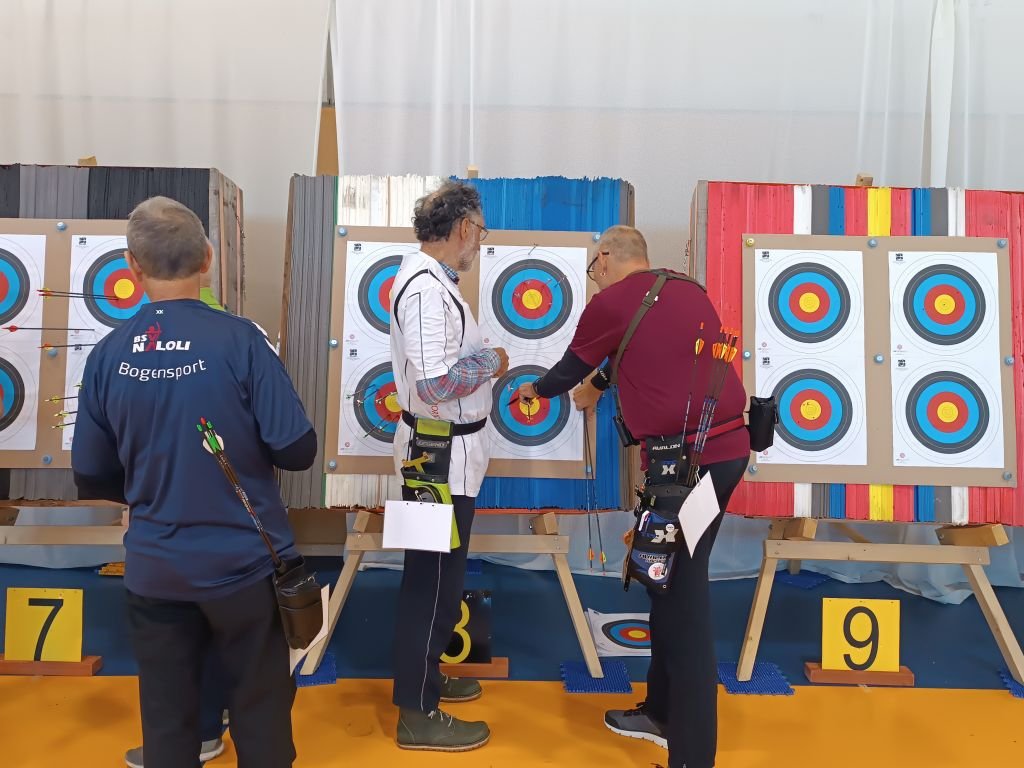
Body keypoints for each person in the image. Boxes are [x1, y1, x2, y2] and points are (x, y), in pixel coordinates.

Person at [72, 196, 316, 768]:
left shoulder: (108, 354)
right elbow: (297, 450)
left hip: (156, 568)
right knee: (260, 716)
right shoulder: (241, 341)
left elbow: (91, 471)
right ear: (208, 258)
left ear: (132, 267)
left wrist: (152, 487)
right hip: (244, 568)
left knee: (167, 725)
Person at [517, 225, 750, 768]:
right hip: (724, 456)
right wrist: (599, 387)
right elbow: (644, 352)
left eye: (593, 266)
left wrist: (535, 389)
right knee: (665, 584)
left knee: (684, 598)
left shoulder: (612, 302)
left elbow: (568, 370)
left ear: (605, 256)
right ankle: (662, 714)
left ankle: (693, 752)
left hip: (687, 469)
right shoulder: (687, 289)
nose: (593, 277)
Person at [388, 179, 508, 751]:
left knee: (442, 577)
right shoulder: (424, 291)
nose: (479, 242)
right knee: (432, 583)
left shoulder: (434, 283)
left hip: (446, 453)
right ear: (463, 228)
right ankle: (416, 711)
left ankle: (428, 677)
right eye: (480, 231)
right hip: (437, 457)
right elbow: (435, 385)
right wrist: (492, 361)